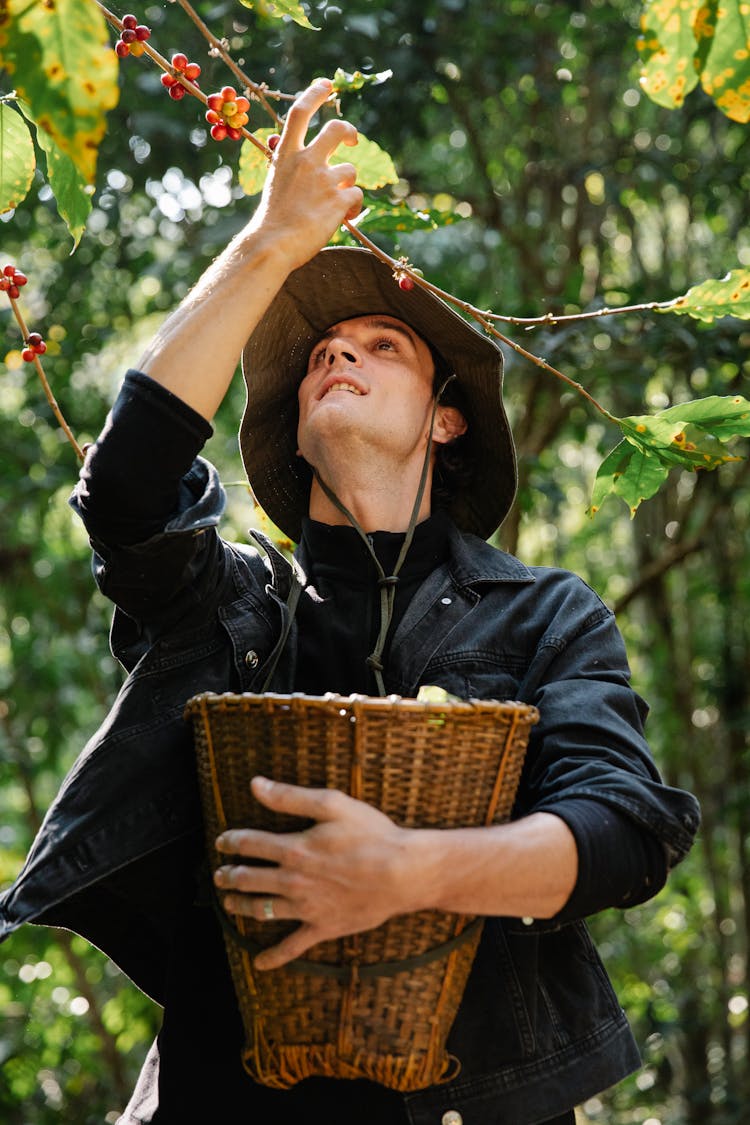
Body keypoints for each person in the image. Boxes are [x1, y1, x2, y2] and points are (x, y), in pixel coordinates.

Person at [0, 78, 700, 1125]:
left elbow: (624, 833)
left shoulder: (548, 615)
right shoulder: (228, 601)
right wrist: (270, 244)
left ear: (448, 422)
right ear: (291, 430)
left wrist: (407, 873)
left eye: (385, 347)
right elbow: (126, 493)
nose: (338, 352)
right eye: (325, 351)